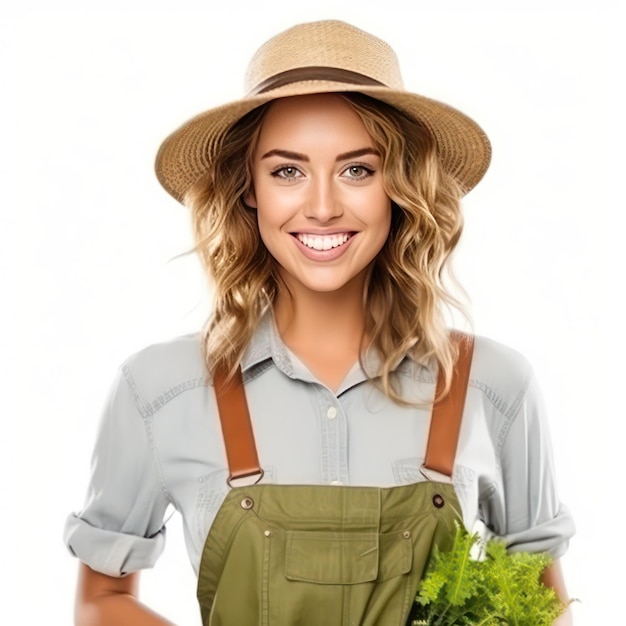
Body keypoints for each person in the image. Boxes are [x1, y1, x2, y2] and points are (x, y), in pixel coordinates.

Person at [64, 19, 575, 626]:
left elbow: (543, 610)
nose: (324, 205)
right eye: (288, 171)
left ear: (401, 185)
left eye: (358, 169)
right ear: (248, 187)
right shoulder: (158, 389)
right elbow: (103, 598)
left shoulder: (494, 385)